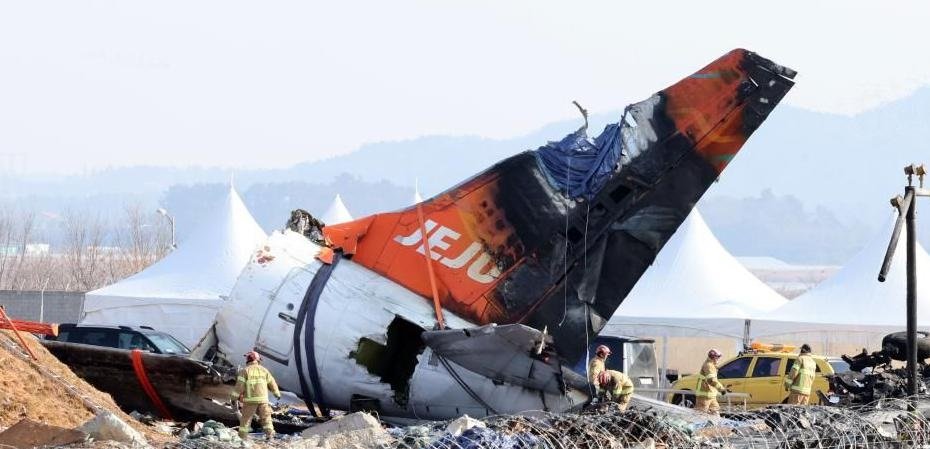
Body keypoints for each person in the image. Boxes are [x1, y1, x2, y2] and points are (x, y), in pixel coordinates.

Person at [231, 351, 282, 440]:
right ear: (258, 360)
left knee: (246, 421)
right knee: (266, 419)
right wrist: (277, 394)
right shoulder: (264, 370)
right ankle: (270, 436)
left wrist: (233, 398)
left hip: (250, 401)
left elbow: (239, 387)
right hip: (263, 400)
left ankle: (242, 439)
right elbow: (272, 383)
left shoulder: (244, 371)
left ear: (248, 360)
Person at [695, 348, 728, 415]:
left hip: (710, 395)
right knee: (700, 415)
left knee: (715, 413)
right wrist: (721, 389)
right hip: (704, 396)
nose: (718, 359)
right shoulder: (708, 366)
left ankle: (715, 425)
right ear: (713, 357)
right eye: (717, 357)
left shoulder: (712, 365)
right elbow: (711, 380)